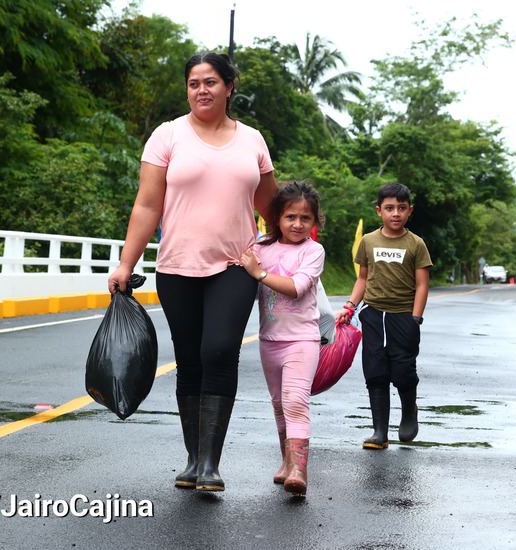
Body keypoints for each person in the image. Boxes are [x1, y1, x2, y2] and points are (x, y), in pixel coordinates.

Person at [107, 52, 277, 492]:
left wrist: (299, 248)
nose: (202, 90)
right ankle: (192, 458)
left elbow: (272, 208)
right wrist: (127, 262)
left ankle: (210, 464)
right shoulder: (167, 136)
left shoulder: (252, 141)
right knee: (190, 359)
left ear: (229, 87)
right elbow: (147, 204)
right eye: (194, 83)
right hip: (177, 265)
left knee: (220, 350)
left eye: (211, 82)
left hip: (236, 265)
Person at [240, 181, 325, 497]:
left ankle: (300, 470)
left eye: (305, 218)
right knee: (278, 404)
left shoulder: (313, 251)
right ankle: (287, 462)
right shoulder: (261, 247)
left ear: (314, 222)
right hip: (269, 340)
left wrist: (259, 274)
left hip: (302, 340)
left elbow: (298, 286)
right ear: (277, 217)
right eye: (291, 217)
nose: (298, 224)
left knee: (295, 400)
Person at [338, 182, 432, 449]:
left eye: (401, 208)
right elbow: (362, 279)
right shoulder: (368, 241)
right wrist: (350, 306)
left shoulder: (416, 244)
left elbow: (422, 284)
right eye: (389, 208)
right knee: (375, 371)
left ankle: (409, 411)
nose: (395, 213)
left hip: (404, 316)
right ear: (379, 211)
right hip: (373, 314)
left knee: (403, 370)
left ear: (409, 211)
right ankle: (380, 431)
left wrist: (416, 318)